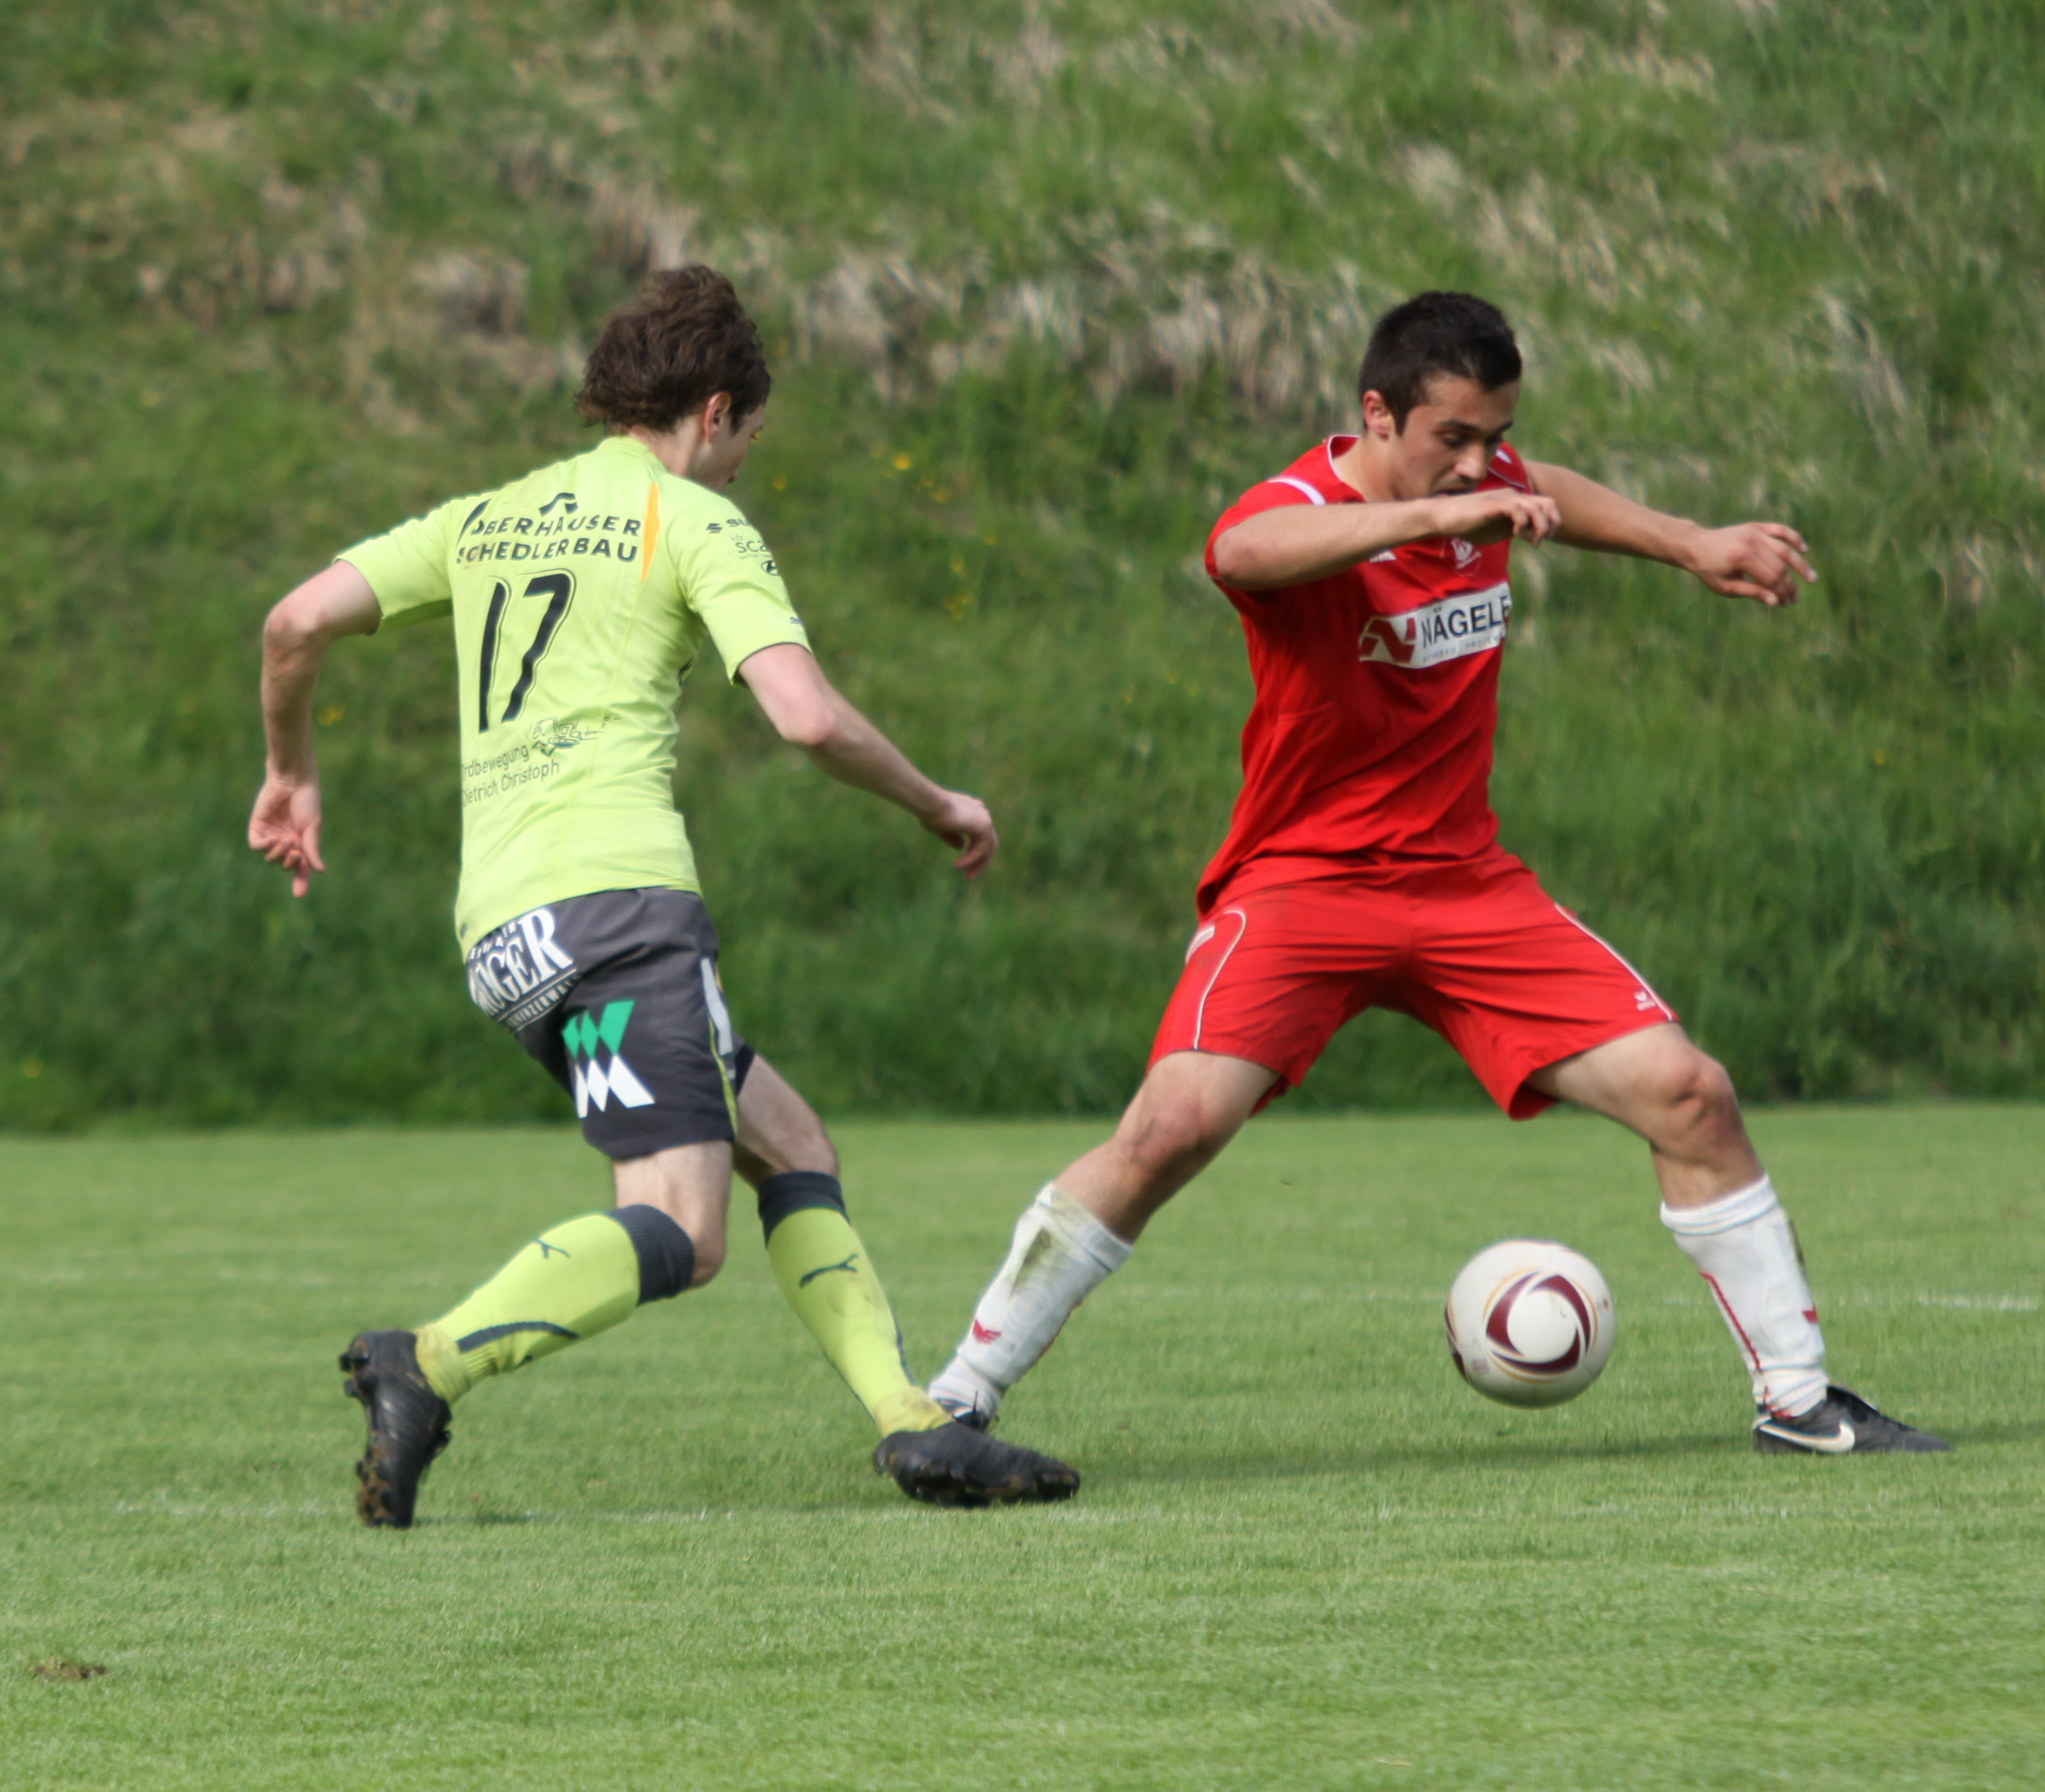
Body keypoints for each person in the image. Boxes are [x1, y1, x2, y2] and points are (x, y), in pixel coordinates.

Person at [928, 291, 1948, 1460]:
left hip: (1466, 886)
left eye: (1493, 438)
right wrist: (1427, 517)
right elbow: (1239, 550)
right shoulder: (1311, 508)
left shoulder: (1485, 479)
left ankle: (1801, 1405)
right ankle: (955, 1400)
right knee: (1169, 1128)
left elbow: (1548, 485)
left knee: (1691, 1095)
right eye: (1451, 438)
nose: (1478, 464)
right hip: (1303, 886)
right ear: (1377, 414)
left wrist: (1691, 543)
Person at [249, 265, 1078, 1526]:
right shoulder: (691, 521)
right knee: (682, 1230)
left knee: (790, 1143)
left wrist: (291, 772)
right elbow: (805, 716)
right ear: (715, 410)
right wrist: (935, 801)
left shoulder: (487, 519)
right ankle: (428, 1363)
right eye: (747, 440)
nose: (742, 469)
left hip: (507, 932)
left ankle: (911, 1422)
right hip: (622, 908)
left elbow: (294, 622)